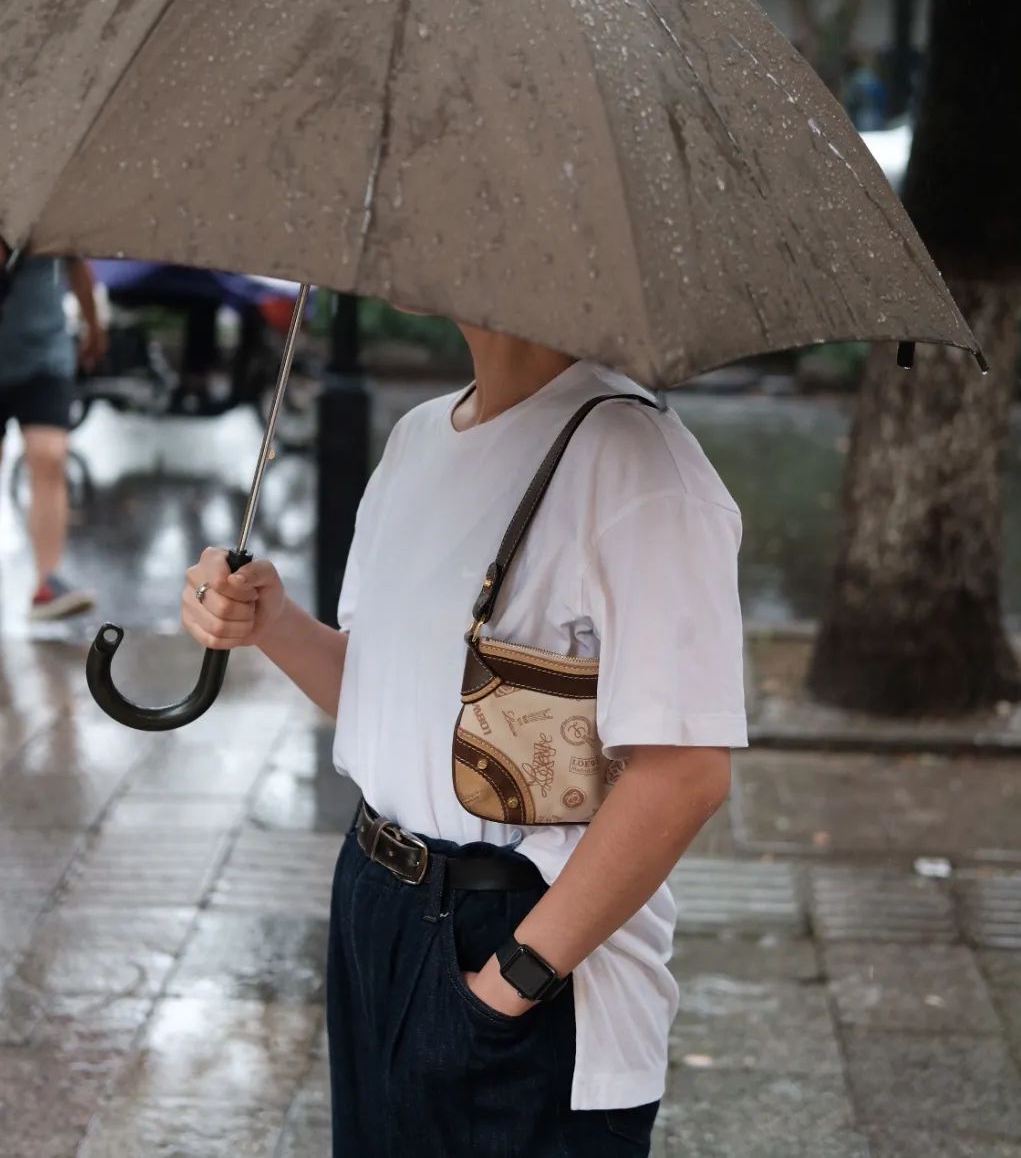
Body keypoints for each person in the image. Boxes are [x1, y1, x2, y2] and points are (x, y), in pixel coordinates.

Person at [182, 332, 746, 1157]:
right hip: (377, 899)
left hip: (524, 939)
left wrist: (511, 981)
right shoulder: (417, 437)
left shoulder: (640, 461)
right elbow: (394, 700)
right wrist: (271, 623)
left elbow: (686, 771)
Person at [0, 221, 105, 619]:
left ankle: (47, 581)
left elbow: (77, 268)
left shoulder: (50, 206)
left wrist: (93, 326)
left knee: (49, 455)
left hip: (45, 354)